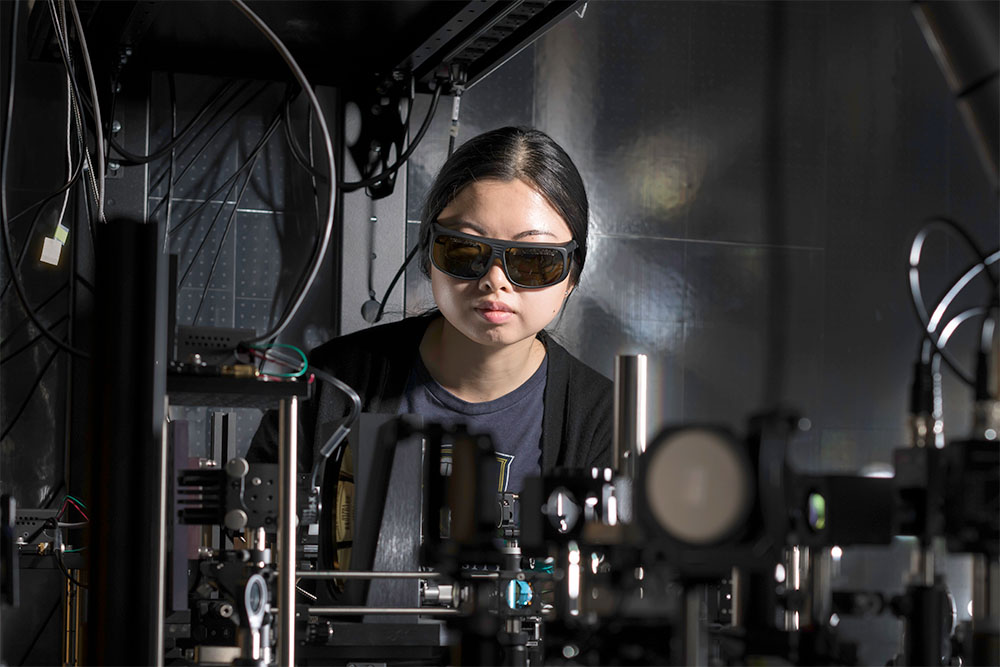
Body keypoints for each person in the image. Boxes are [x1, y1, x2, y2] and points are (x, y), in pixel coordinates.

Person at [247, 126, 612, 493]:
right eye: (466, 250)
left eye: (533, 260)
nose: (495, 280)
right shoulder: (330, 385)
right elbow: (253, 530)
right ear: (429, 253)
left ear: (572, 276)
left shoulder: (602, 418)